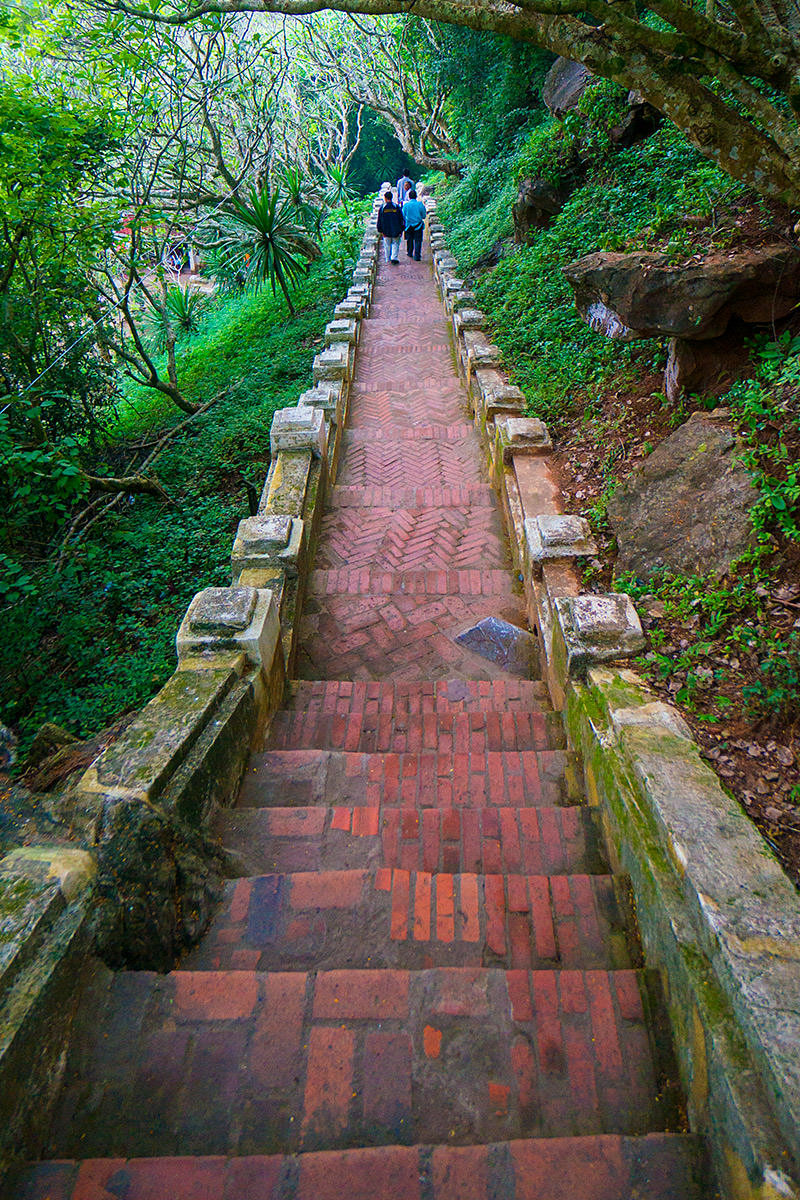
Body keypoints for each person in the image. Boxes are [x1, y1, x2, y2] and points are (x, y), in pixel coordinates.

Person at [377, 189, 404, 264]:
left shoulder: (382, 208)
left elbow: (379, 220)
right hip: (396, 229)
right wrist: (401, 229)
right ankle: (394, 257)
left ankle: (387, 258)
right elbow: (401, 219)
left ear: (385, 198)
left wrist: (380, 230)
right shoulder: (396, 207)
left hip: (386, 230)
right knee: (396, 243)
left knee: (387, 244)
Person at [401, 188, 427, 261]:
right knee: (418, 240)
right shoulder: (420, 204)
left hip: (408, 225)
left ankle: (409, 252)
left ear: (409, 197)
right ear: (416, 196)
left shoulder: (406, 205)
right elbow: (424, 215)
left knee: (409, 239)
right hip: (418, 225)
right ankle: (417, 255)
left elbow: (403, 215)